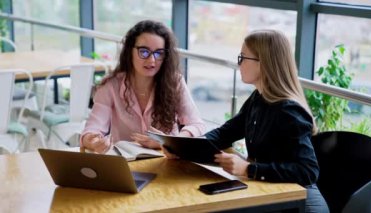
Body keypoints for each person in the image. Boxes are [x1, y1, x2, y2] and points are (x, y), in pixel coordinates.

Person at [204, 30, 329, 212]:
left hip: (300, 204)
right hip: (273, 195)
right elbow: (225, 132)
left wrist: (249, 169)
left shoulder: (289, 111)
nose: (239, 64)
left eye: (243, 58)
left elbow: (307, 171)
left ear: (263, 63)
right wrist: (183, 147)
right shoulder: (258, 98)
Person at [80, 20, 206, 153]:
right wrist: (93, 141)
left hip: (166, 160)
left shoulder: (175, 82)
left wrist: (169, 142)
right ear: (130, 51)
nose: (152, 60)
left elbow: (197, 124)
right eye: (144, 52)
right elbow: (91, 130)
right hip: (127, 163)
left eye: (159, 53)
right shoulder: (111, 85)